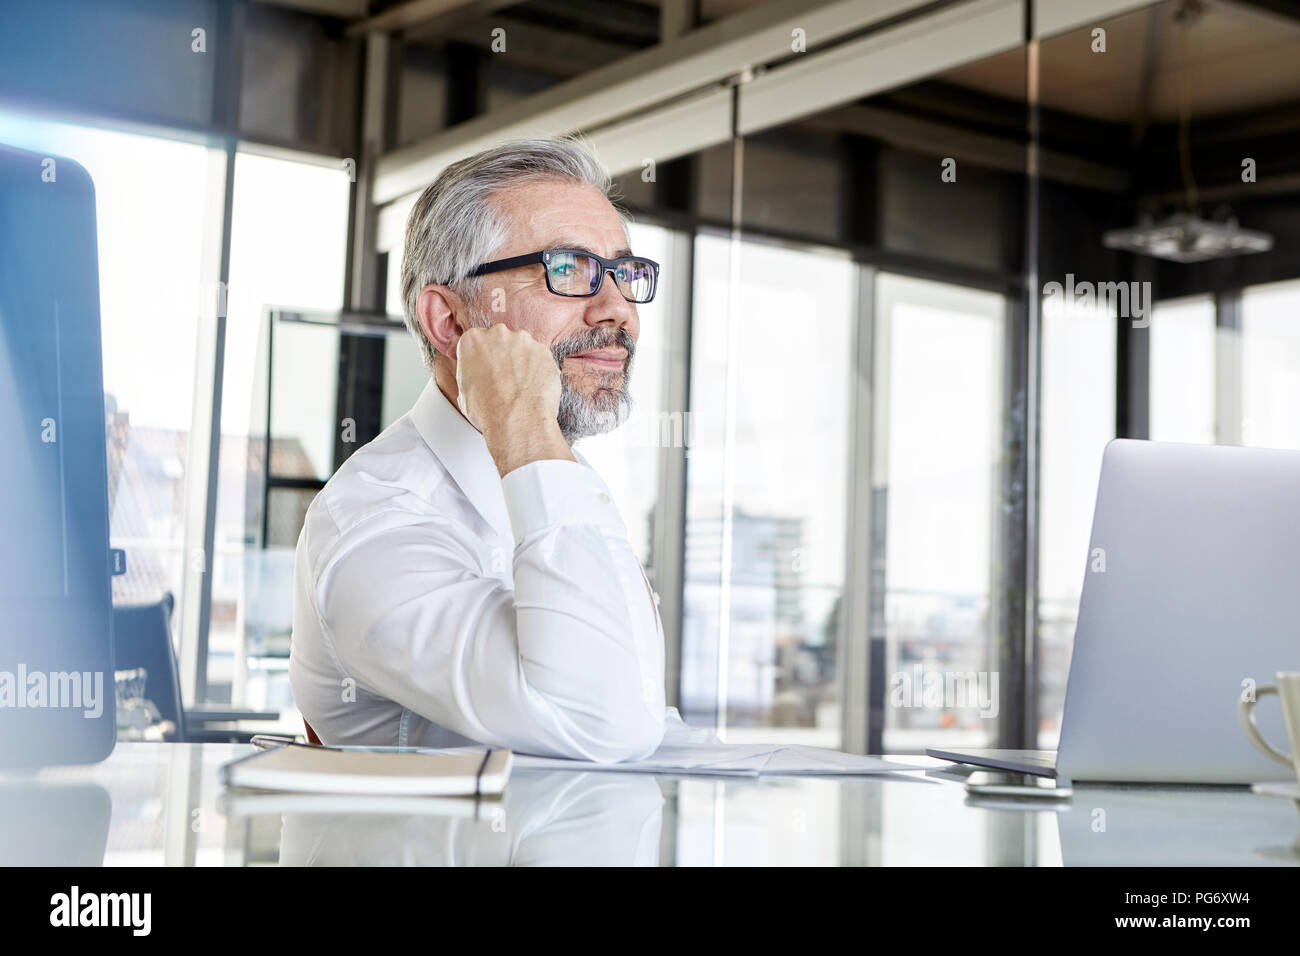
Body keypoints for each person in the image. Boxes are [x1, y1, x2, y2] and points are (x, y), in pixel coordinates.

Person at [289, 135, 668, 762]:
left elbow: (642, 706)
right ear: (451, 322)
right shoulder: (375, 524)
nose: (617, 309)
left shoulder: (552, 476)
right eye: (569, 270)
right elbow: (607, 724)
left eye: (623, 274)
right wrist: (525, 430)